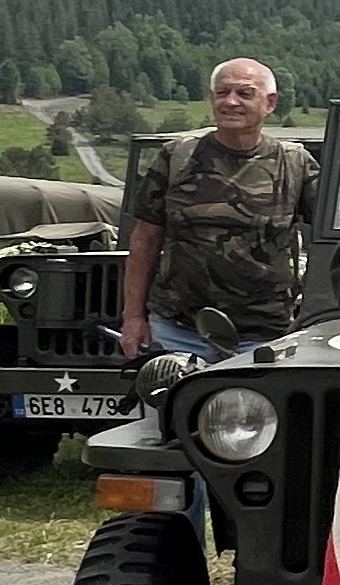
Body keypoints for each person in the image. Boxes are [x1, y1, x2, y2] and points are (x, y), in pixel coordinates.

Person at [116, 59, 321, 360]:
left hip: (268, 335)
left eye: (245, 93)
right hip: (178, 331)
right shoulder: (177, 157)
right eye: (222, 93)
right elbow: (145, 239)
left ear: (270, 103)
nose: (231, 102)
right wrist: (133, 317)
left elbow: (337, 236)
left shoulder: (295, 163)